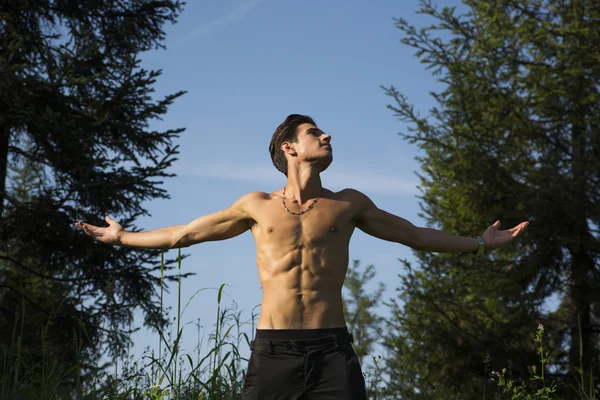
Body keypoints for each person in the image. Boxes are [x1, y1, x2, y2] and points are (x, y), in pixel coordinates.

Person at [75, 114, 529, 399]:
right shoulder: (255, 205)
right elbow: (184, 234)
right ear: (289, 147)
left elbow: (413, 234)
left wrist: (478, 243)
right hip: (273, 352)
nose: (327, 134)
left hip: (333, 350)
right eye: (314, 132)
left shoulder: (349, 204)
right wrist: (122, 238)